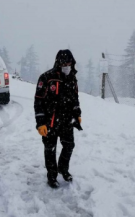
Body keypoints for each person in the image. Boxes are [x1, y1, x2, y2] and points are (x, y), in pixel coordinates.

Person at [34, 49, 82, 188]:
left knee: (69, 145)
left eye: (69, 63)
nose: (67, 66)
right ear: (58, 63)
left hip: (67, 121)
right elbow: (38, 101)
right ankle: (52, 176)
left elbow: (75, 98)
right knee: (50, 149)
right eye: (64, 63)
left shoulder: (72, 78)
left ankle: (63, 168)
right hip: (50, 122)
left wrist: (77, 113)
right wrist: (40, 123)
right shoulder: (46, 78)